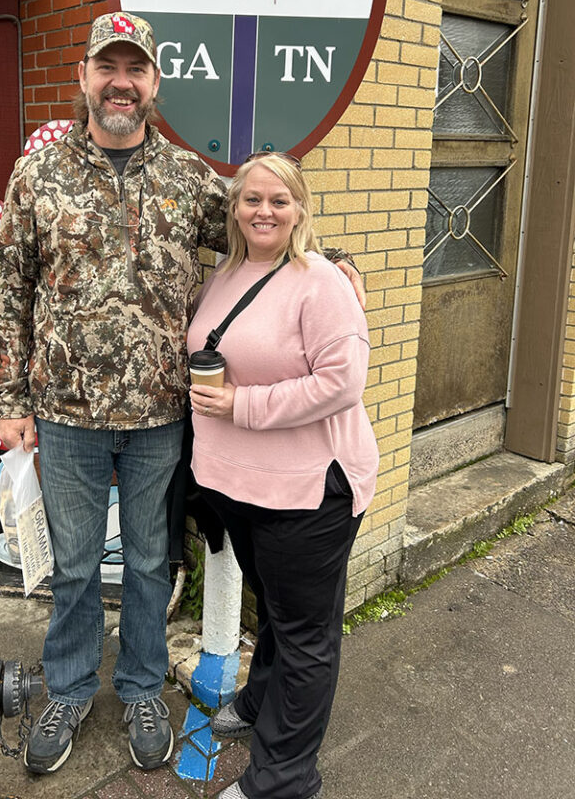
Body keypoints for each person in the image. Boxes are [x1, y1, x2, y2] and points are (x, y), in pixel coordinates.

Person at [0, 11, 365, 777]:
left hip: (163, 414)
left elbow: (266, 216)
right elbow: (12, 289)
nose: (120, 83)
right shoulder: (39, 176)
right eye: (107, 68)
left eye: (135, 70)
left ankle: (139, 689)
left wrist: (336, 262)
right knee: (76, 564)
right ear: (86, 77)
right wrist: (12, 399)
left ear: (154, 84)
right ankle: (67, 687)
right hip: (66, 413)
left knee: (153, 561)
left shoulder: (189, 179)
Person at [187, 152, 380, 799]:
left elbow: (343, 382)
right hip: (241, 487)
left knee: (305, 636)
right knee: (272, 608)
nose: (264, 211)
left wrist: (244, 406)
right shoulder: (229, 270)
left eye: (279, 200)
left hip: (308, 491)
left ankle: (283, 779)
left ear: (300, 209)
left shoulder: (321, 281)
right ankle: (259, 700)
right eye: (251, 200)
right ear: (234, 208)